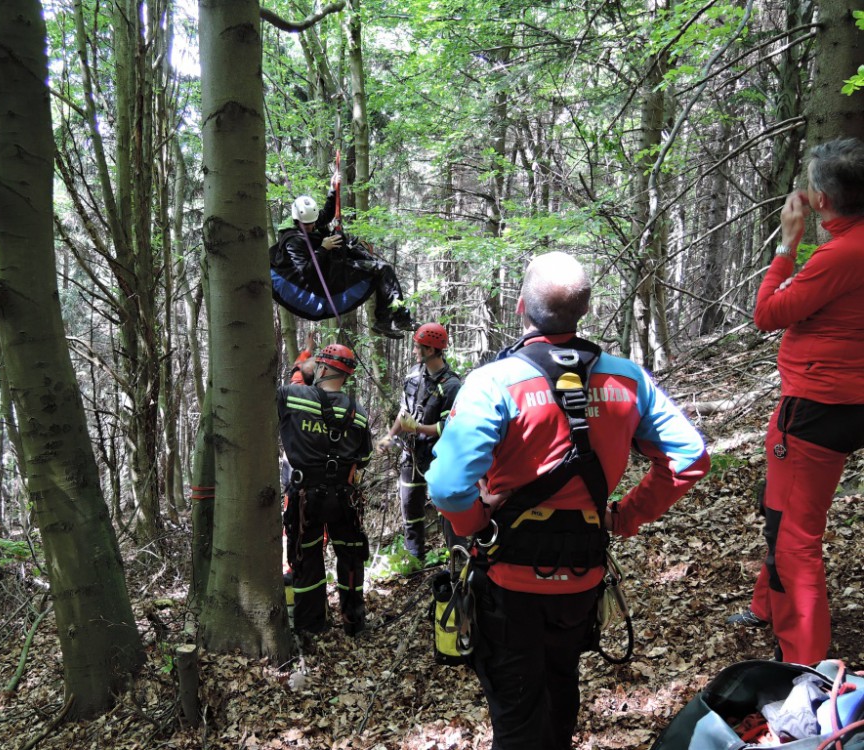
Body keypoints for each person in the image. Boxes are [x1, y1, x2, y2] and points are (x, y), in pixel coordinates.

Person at [426, 252, 710, 750]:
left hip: (509, 582)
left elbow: (448, 487)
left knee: (518, 717)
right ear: (585, 309)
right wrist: (625, 516)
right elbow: (690, 457)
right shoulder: (627, 379)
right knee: (560, 691)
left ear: (521, 306)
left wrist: (476, 521)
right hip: (581, 579)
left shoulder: (493, 382)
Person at [726, 138, 864, 665]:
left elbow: (767, 314)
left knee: (795, 537)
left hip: (817, 406)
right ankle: (766, 606)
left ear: (822, 200)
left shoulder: (840, 255)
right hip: (846, 402)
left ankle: (805, 664)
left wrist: (787, 246)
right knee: (780, 509)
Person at [279, 343, 373, 636]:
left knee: (306, 559)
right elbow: (364, 458)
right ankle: (354, 623)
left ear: (321, 368)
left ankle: (311, 626)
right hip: (344, 500)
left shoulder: (293, 397)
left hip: (305, 499)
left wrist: (300, 367)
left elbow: (274, 398)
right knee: (351, 557)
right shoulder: (358, 412)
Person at [272, 173, 416, 337]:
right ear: (297, 221)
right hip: (326, 276)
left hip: (332, 263)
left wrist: (333, 189)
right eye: (307, 225)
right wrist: (323, 248)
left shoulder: (308, 222)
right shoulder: (293, 241)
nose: (311, 227)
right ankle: (393, 319)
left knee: (383, 269)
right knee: (382, 270)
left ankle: (393, 318)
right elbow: (306, 271)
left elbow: (327, 214)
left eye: (313, 223)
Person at [377, 323, 464, 560]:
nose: (414, 351)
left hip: (438, 458)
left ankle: (457, 559)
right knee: (410, 508)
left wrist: (417, 428)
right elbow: (404, 412)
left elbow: (447, 427)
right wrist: (390, 435)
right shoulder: (414, 375)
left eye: (418, 347)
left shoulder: (451, 386)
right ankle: (415, 559)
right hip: (411, 454)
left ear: (431, 350)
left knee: (446, 509)